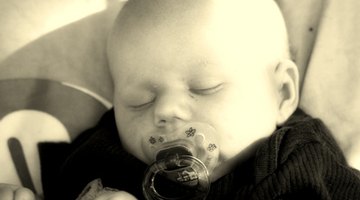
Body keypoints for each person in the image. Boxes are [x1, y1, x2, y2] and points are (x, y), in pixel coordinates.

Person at [2, 0, 360, 199]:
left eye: (205, 87)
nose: (165, 110)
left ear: (281, 93)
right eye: (139, 100)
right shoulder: (100, 155)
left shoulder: (300, 159)